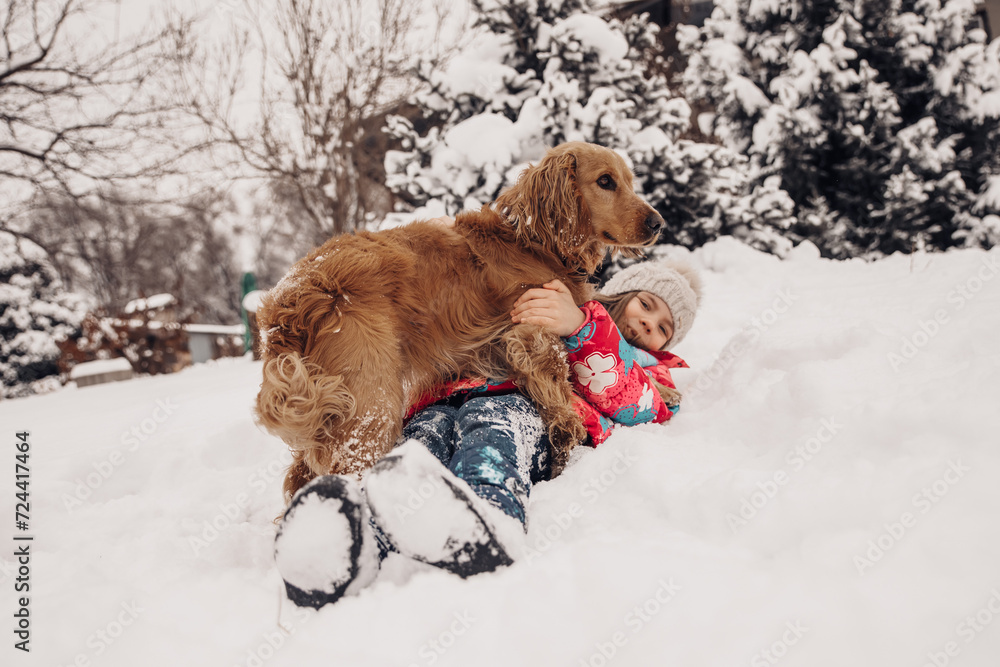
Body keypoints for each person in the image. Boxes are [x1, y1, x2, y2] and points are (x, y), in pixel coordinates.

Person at [272, 258, 703, 609]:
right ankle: (357, 546)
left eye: (664, 326)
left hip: (527, 406)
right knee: (411, 455)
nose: (650, 324)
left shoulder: (649, 370)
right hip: (444, 397)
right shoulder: (552, 298)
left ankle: (491, 513)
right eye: (646, 305)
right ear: (622, 292)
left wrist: (581, 328)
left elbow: (633, 402)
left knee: (494, 431)